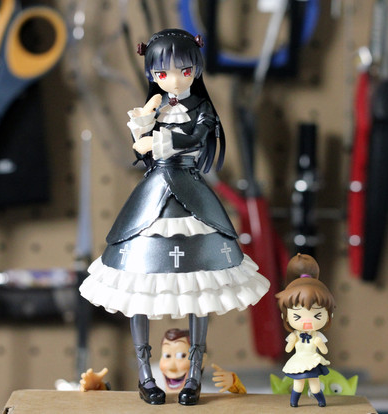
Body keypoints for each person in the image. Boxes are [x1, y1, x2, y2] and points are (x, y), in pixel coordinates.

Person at [79, 28, 269, 406]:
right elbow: (140, 146)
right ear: (152, 74)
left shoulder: (202, 109)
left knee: (201, 286)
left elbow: (196, 139)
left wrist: (159, 141)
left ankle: (194, 373)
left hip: (191, 190)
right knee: (138, 283)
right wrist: (143, 124)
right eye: (163, 73)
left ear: (196, 69)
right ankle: (145, 374)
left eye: (185, 70)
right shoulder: (156, 106)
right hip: (153, 194)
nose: (176, 80)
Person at [78, 328, 246, 395]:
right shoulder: (152, 392)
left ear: (201, 361)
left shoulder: (208, 397)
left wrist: (235, 385)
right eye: (167, 356)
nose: (171, 367)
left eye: (181, 356)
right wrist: (100, 392)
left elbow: (245, 407)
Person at [275, 254, 335, 408]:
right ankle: (294, 402)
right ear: (285, 316)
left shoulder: (317, 335)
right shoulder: (295, 335)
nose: (307, 321)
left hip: (313, 360)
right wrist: (292, 342)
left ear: (329, 315)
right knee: (298, 384)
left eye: (317, 315)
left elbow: (324, 350)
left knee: (315, 384)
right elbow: (288, 349)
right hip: (299, 360)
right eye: (297, 316)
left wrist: (319, 343)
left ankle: (321, 401)